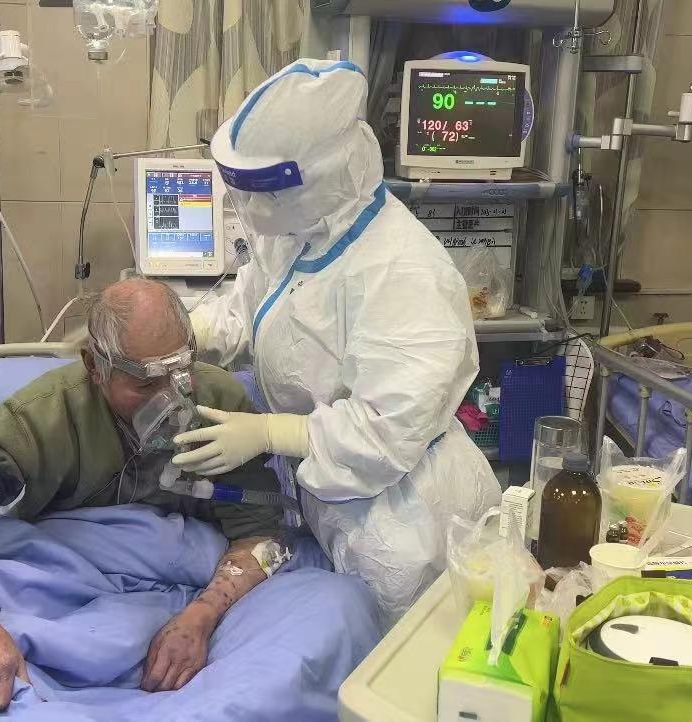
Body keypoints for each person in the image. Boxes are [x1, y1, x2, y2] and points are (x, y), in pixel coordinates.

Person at [178, 58, 499, 624]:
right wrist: (185, 332)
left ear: (320, 178)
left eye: (260, 193)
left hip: (405, 521)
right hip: (330, 494)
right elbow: (252, 309)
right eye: (240, 190)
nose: (246, 209)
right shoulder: (297, 230)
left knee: (397, 661)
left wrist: (271, 432)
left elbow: (386, 430)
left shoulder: (403, 269)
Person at [0, 279, 290, 719]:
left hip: (186, 582)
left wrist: (200, 618)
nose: (172, 399)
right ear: (96, 366)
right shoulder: (38, 422)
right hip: (66, 580)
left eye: (180, 373)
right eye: (144, 384)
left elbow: (263, 537)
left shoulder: (219, 403)